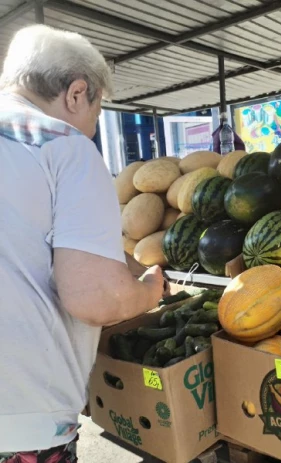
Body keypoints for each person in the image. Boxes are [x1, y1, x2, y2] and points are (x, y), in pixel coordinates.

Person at [0, 25, 168, 460]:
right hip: (21, 423)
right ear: (77, 93)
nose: (93, 128)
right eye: (97, 113)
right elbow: (95, 298)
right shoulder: (62, 144)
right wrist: (149, 289)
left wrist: (121, 264)